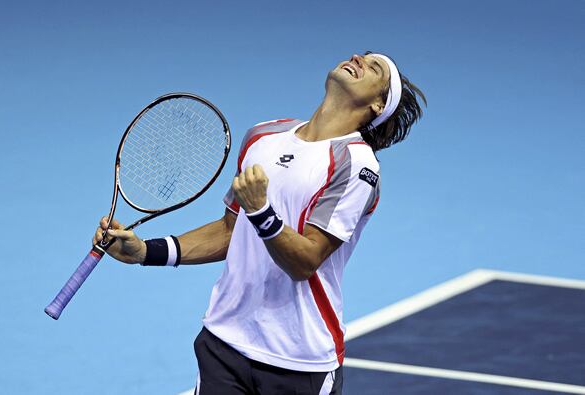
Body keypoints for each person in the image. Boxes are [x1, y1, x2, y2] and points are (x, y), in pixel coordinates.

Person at [93, 52, 426, 394]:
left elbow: (305, 261)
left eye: (373, 68)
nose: (358, 58)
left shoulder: (356, 164)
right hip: (224, 343)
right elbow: (230, 231)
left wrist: (261, 210)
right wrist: (146, 251)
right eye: (361, 55)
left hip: (297, 359)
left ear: (377, 105)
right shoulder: (263, 136)